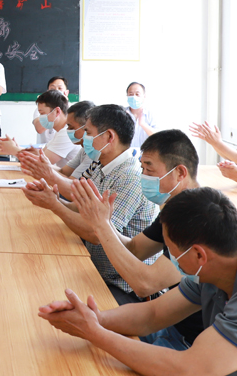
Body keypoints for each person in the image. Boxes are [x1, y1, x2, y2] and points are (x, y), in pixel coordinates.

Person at [38, 187, 237, 376]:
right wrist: (94, 318)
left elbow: (189, 370)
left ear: (198, 254)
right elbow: (153, 315)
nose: (169, 256)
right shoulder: (220, 269)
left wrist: (94, 333)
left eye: (170, 249)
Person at [67, 130, 205, 350]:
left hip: (188, 341)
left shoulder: (199, 217)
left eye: (149, 170)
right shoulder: (175, 208)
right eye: (142, 169)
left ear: (180, 172)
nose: (143, 177)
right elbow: (135, 248)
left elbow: (145, 285)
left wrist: (101, 226)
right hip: (167, 323)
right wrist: (103, 221)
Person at [20, 104, 158, 305]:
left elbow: (97, 233)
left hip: (122, 285)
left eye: (88, 132)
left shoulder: (129, 176)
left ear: (109, 137)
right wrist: (54, 200)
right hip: (96, 270)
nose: (83, 138)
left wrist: (55, 206)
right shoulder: (104, 165)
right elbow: (83, 208)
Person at [0, 90, 79, 168]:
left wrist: (14, 150)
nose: (41, 118)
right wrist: (17, 147)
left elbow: (42, 164)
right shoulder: (60, 132)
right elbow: (41, 154)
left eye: (42, 114)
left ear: (57, 111)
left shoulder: (67, 134)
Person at [33, 76, 69, 144]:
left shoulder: (72, 110)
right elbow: (39, 129)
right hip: (44, 146)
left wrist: (62, 104)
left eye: (60, 88)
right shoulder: (40, 109)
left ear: (66, 92)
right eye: (52, 89)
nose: (56, 91)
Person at [126, 82, 156, 149]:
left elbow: (158, 137)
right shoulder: (122, 114)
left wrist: (143, 124)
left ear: (144, 96)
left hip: (146, 153)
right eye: (131, 94)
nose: (134, 97)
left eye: (137, 94)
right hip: (126, 153)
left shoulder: (151, 114)